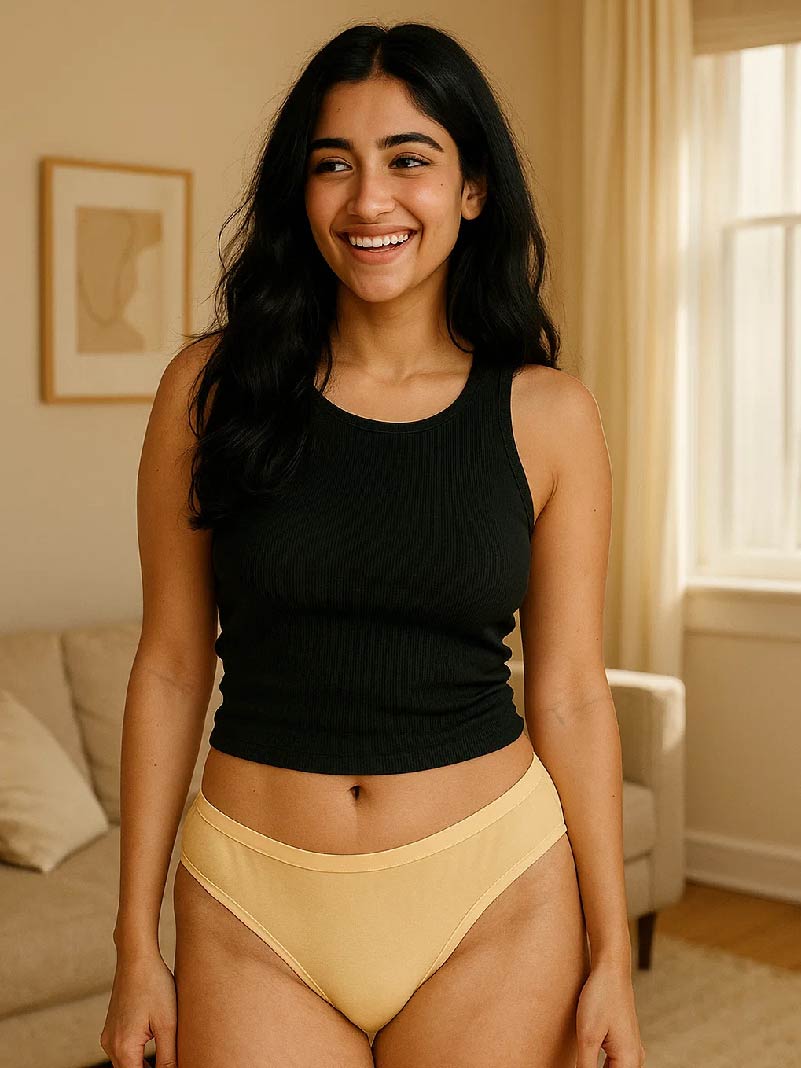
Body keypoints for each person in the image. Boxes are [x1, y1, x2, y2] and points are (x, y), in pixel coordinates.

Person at [101, 20, 645, 1068]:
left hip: (493, 893)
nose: (369, 201)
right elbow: (168, 666)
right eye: (333, 164)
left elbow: (573, 693)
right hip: (253, 905)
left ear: (471, 189)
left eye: (409, 160)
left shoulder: (549, 415)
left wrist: (613, 951)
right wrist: (134, 943)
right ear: (300, 191)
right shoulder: (210, 393)